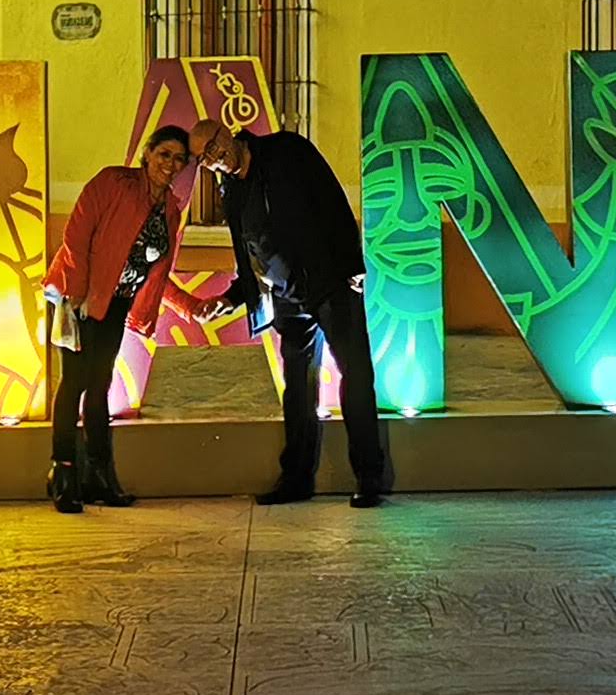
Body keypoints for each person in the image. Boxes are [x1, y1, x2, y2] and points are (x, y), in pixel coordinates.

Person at [185, 119, 391, 508]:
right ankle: (296, 479)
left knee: (356, 375)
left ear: (227, 133)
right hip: (287, 299)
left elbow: (332, 201)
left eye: (213, 147)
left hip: (331, 284)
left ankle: (369, 477)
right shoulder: (231, 191)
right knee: (297, 388)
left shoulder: (287, 151)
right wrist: (234, 298)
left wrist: (353, 268)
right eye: (204, 159)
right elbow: (248, 254)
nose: (213, 160)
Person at [39, 127, 192, 513]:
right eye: (164, 155)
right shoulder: (113, 183)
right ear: (147, 153)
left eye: (178, 159)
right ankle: (64, 476)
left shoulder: (170, 210)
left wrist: (189, 306)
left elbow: (153, 271)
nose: (170, 165)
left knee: (100, 385)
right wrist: (79, 293)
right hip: (78, 300)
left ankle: (99, 477)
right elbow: (77, 236)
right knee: (74, 383)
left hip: (116, 305)